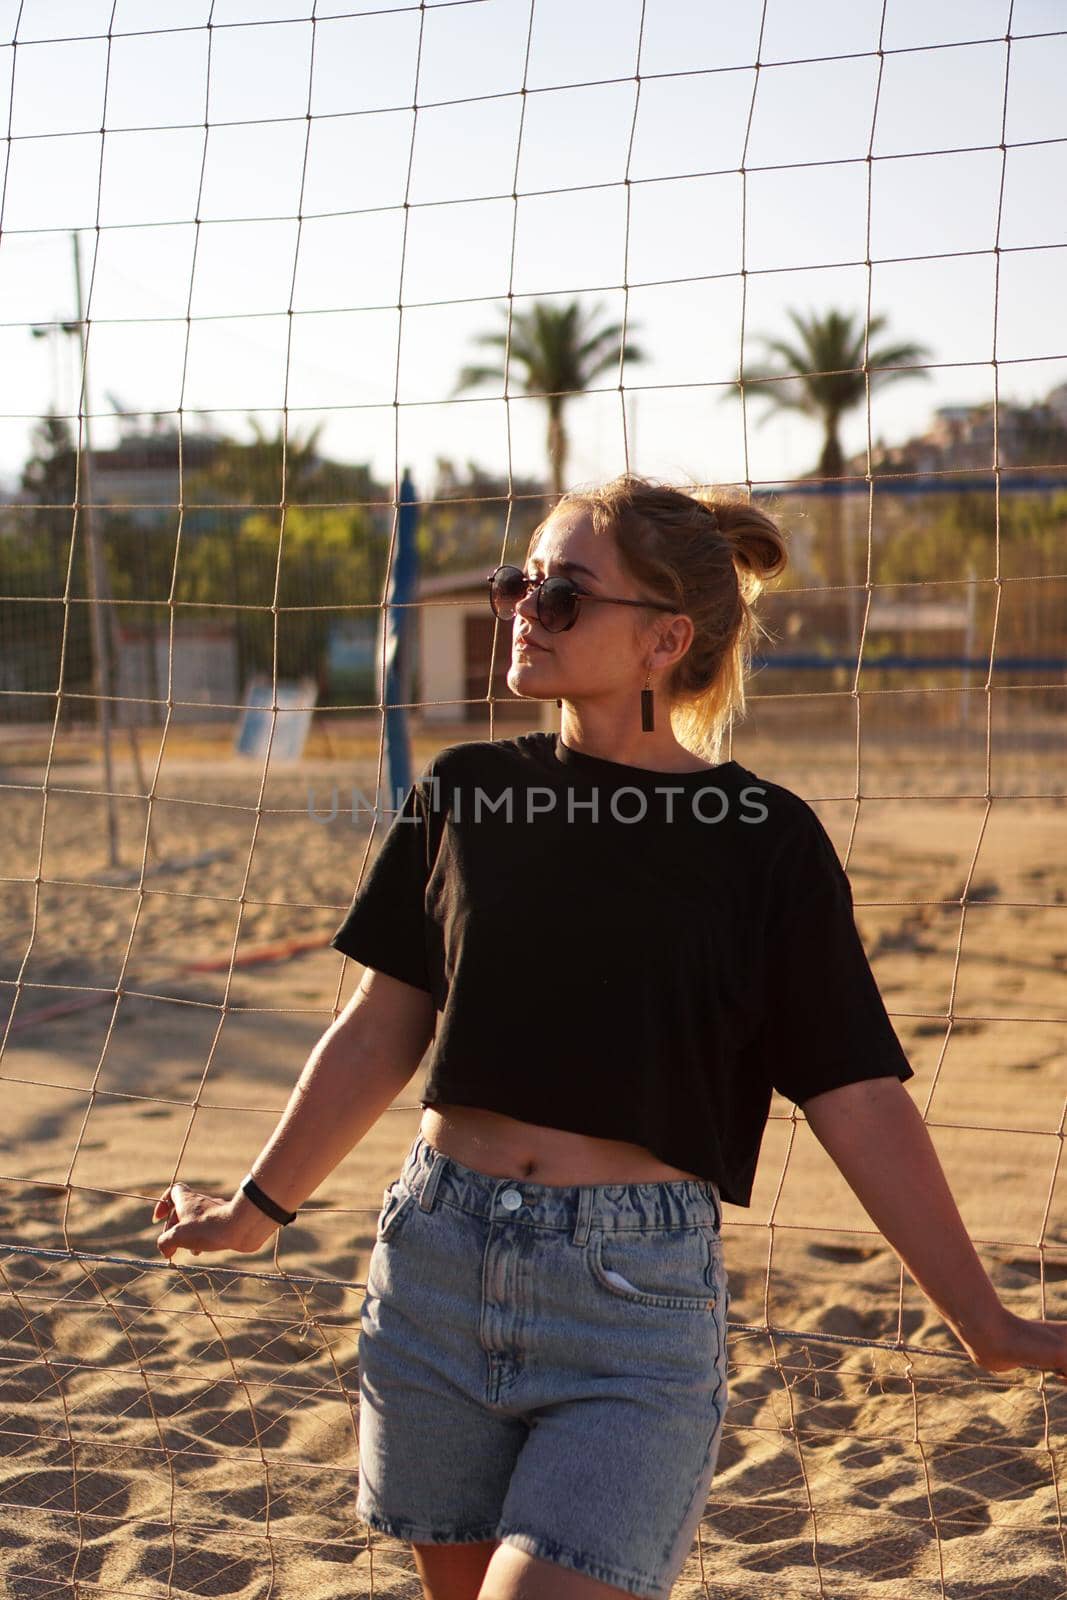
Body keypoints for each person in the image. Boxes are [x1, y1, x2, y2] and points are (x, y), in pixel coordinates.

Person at [152, 474, 1067, 1600]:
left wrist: (979, 1317)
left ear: (665, 640)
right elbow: (377, 1028)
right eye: (520, 585)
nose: (525, 612)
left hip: (630, 1302)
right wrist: (257, 1210)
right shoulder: (467, 792)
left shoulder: (761, 840)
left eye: (565, 595)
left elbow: (854, 1090)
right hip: (434, 1265)